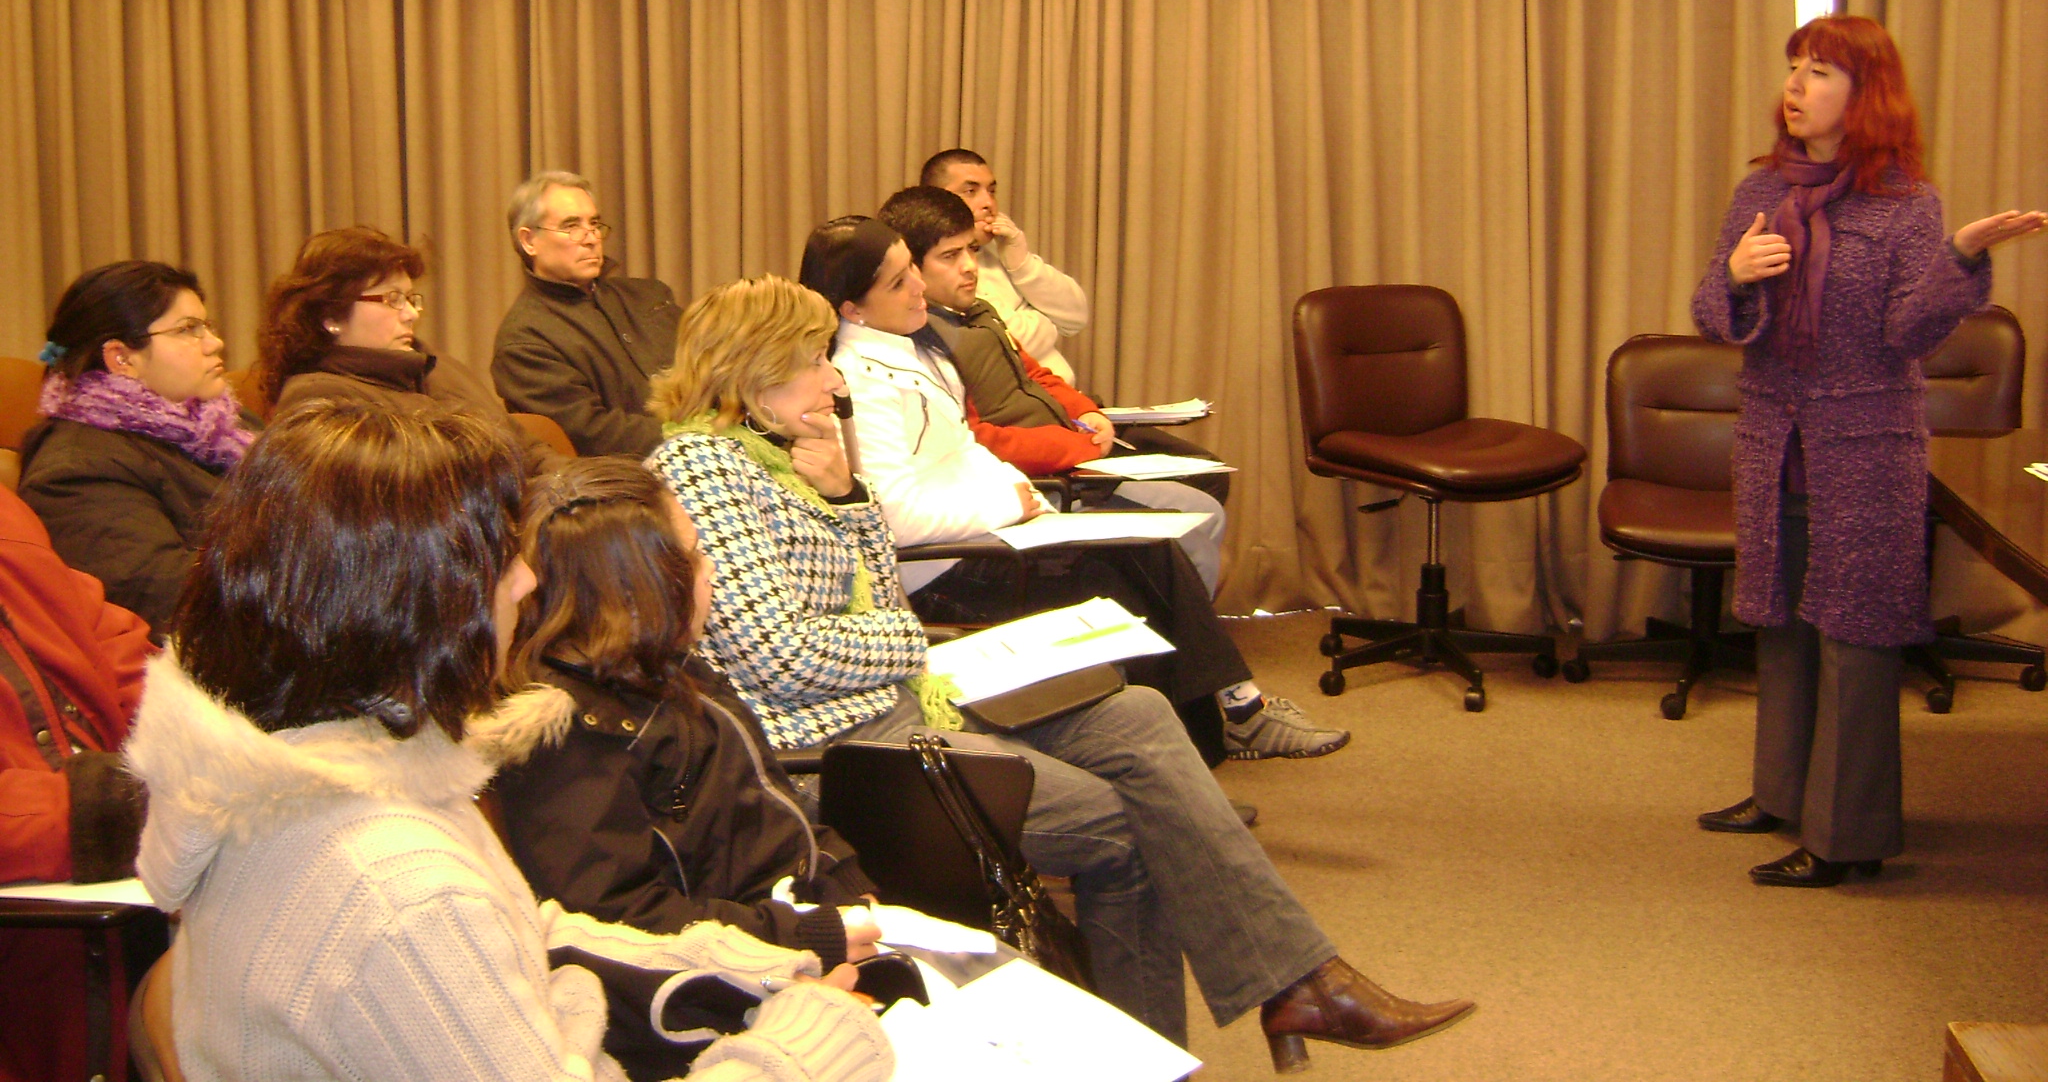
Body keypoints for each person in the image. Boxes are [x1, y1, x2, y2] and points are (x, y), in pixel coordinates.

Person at [643, 274, 1468, 1063]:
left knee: (1134, 713)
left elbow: (872, 596)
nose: (833, 377)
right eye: (814, 360)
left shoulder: (786, 455)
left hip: (894, 700)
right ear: (754, 377)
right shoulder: (703, 469)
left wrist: (852, 498)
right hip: (835, 746)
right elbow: (779, 655)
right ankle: (1206, 1030)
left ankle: (1295, 983)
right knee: (1120, 826)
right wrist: (907, 642)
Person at [123, 401, 891, 1082]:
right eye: (498, 557)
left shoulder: (308, 768)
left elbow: (530, 931)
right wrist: (804, 1046)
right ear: (411, 602)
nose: (526, 582)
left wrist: (758, 965)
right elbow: (453, 935)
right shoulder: (401, 889)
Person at [1691, 15, 2046, 888]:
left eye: (1818, 71)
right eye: (1794, 68)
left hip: (1867, 444)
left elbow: (1907, 333)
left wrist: (1961, 257)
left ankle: (1846, 838)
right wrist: (1734, 278)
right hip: (1774, 438)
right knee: (1778, 619)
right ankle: (1778, 794)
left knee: (1854, 637)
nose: (1797, 85)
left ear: (1865, 93)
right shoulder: (1759, 193)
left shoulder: (1907, 206)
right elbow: (1711, 316)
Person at [802, 218, 1344, 764]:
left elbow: (966, 448)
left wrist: (1021, 493)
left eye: (913, 271)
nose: (919, 287)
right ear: (852, 309)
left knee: (1154, 551)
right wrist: (1008, 504)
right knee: (1126, 585)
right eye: (898, 283)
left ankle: (1231, 723)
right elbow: (893, 516)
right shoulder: (861, 383)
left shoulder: (916, 350)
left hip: (999, 530)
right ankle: (1212, 741)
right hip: (949, 567)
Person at [494, 457, 885, 972]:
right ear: (648, 592)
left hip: (797, 918)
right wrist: (799, 936)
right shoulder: (569, 744)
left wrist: (848, 883)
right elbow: (617, 921)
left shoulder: (666, 665)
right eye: (695, 556)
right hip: (743, 977)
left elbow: (772, 799)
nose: (711, 570)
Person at [878, 185, 1230, 593]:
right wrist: (1076, 447)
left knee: (1207, 509)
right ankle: (1177, 644)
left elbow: (1036, 377)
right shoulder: (926, 343)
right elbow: (978, 440)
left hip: (1070, 459)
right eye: (951, 257)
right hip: (1041, 480)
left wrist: (1086, 413)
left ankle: (1181, 636)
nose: (970, 266)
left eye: (972, 250)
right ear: (913, 270)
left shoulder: (980, 312)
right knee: (1196, 532)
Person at [0, 484, 155, 1082]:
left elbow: (109, 635)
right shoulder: (77, 468)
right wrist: (111, 807)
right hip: (38, 967)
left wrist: (188, 745)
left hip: (118, 917)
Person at [17, 261, 254, 632]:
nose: (215, 343)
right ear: (121, 358)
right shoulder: (76, 472)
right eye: (188, 329)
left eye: (206, 325)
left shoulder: (230, 424)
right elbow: (175, 602)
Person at [258, 225, 554, 475]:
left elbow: (528, 451)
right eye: (393, 299)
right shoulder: (316, 401)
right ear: (331, 316)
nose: (411, 313)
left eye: (411, 298)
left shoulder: (439, 367)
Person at [492, 170, 682, 457]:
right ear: (529, 241)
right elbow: (593, 435)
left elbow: (709, 368)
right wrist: (698, 434)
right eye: (571, 226)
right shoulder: (524, 342)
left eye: (593, 224)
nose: (591, 238)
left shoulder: (650, 295)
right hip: (631, 485)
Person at [921, 149, 1089, 383]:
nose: (988, 203)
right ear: (935, 200)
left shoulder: (1000, 251)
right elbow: (1005, 341)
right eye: (971, 191)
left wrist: (1021, 263)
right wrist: (1048, 323)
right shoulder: (933, 263)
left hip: (1064, 405)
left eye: (991, 191)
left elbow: (1075, 317)